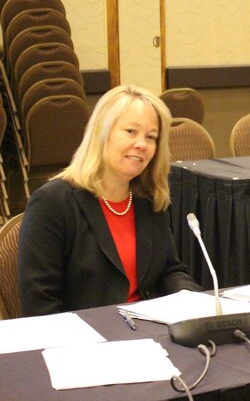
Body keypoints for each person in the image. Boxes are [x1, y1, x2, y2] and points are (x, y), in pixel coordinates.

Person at [18, 85, 200, 316]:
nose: (142, 144)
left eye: (151, 137)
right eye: (131, 132)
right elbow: (39, 303)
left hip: (147, 331)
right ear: (101, 134)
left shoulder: (148, 199)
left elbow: (168, 270)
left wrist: (190, 298)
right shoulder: (52, 203)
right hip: (83, 340)